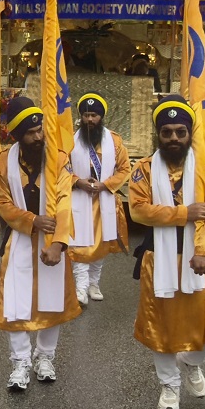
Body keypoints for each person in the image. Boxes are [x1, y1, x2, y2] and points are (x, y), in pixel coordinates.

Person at [128, 98, 205, 409]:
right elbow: (139, 211)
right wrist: (184, 213)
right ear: (158, 134)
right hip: (158, 258)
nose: (173, 138)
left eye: (180, 132)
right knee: (161, 326)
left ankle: (192, 362)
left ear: (189, 133)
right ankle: (169, 386)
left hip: (199, 259)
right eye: (166, 132)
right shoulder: (143, 170)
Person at [0, 96, 81, 391]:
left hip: (53, 241)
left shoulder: (59, 159)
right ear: (17, 135)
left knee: (50, 301)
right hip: (19, 240)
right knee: (16, 302)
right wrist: (32, 220)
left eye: (40, 129)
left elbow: (65, 202)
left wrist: (58, 244)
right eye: (31, 133)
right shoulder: (3, 162)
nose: (39, 136)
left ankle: (45, 357)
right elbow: (2, 203)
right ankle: (20, 362)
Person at [66, 94, 129, 304]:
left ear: (101, 117)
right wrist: (78, 181)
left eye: (94, 115)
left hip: (104, 201)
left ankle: (94, 283)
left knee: (101, 244)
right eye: (86, 115)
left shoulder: (115, 141)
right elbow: (61, 170)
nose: (90, 119)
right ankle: (81, 287)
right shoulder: (70, 140)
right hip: (78, 198)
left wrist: (105, 185)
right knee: (79, 244)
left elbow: (124, 169)